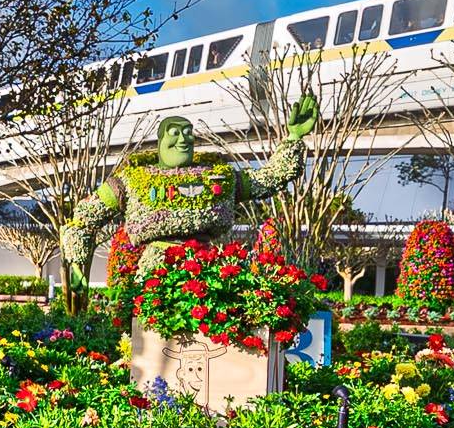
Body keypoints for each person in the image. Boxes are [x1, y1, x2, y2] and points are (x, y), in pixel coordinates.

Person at [59, 99, 318, 298]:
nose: (183, 138)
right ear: (160, 140)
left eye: (187, 132)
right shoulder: (130, 179)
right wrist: (78, 263)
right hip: (154, 272)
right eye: (174, 132)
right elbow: (84, 219)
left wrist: (294, 138)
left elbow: (269, 179)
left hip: (208, 270)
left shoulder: (219, 177)